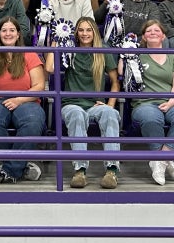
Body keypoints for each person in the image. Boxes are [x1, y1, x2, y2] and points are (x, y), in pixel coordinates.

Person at [45, 16, 120, 189]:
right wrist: (57, 40)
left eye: (88, 30)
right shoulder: (70, 49)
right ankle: (80, 171)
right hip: (72, 104)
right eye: (81, 30)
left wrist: (110, 104)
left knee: (110, 113)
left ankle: (112, 170)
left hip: (96, 105)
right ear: (76, 33)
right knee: (77, 114)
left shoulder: (103, 51)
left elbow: (116, 83)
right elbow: (49, 68)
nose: (85, 34)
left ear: (94, 32)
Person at [0, 16, 47, 184]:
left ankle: (7, 170)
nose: (8, 34)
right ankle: (21, 167)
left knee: (32, 122)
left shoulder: (29, 53)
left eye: (12, 30)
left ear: (18, 34)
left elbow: (39, 86)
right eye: (4, 30)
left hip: (27, 99)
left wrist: (19, 100)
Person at [129, 19, 174, 185]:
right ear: (143, 36)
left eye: (156, 31)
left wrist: (172, 102)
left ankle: (160, 161)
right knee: (152, 118)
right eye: (149, 31)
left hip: (171, 101)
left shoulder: (173, 56)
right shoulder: (136, 55)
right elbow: (123, 71)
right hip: (144, 103)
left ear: (163, 36)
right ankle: (168, 162)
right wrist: (126, 53)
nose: (152, 33)